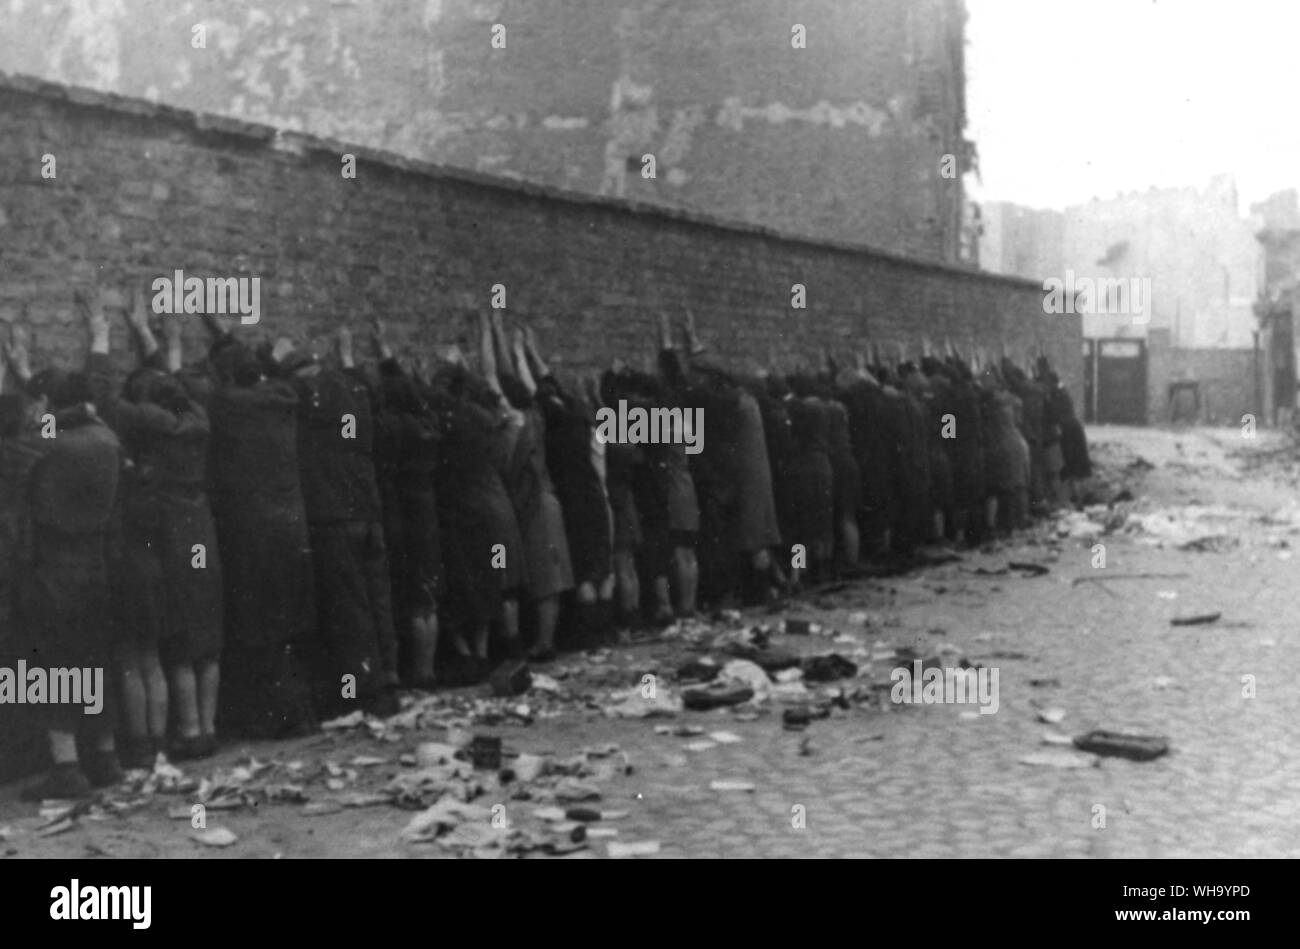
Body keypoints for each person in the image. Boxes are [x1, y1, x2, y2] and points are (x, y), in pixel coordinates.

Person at [86, 288, 224, 764]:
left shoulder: (145, 422)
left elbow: (102, 397)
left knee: (181, 644)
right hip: (202, 529)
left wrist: (101, 336)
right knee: (207, 640)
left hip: (172, 536)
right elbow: (177, 386)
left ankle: (185, 731)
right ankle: (205, 728)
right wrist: (155, 338)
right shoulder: (198, 419)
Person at [4, 312, 124, 800]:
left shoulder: (44, 445)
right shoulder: (106, 439)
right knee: (94, 662)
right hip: (97, 566)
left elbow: (16, 445)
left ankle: (67, 768)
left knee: (54, 666)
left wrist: (16, 382)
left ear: (51, 405)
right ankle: (106, 758)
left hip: (53, 572)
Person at [203, 318, 318, 740]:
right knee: (288, 627)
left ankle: (276, 718)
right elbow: (269, 376)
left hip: (254, 534)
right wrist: (230, 339)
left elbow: (207, 387)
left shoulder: (227, 404)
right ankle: (300, 712)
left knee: (261, 629)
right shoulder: (284, 396)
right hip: (292, 529)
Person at [287, 329, 400, 719]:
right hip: (368, 512)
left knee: (350, 610)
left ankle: (364, 691)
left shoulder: (314, 401)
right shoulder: (357, 395)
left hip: (336, 518)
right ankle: (389, 677)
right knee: (378, 601)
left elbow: (289, 395)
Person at [368, 321, 443, 688]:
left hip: (398, 513)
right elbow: (416, 395)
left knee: (406, 596)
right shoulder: (427, 425)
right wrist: (390, 358)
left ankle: (414, 670)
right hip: (426, 511)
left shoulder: (386, 426)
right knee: (426, 597)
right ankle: (427, 669)